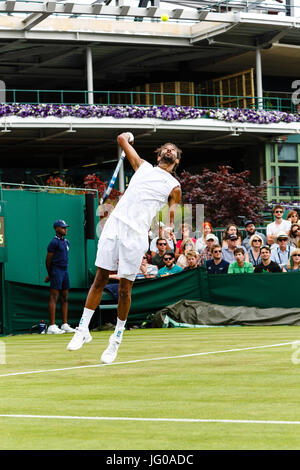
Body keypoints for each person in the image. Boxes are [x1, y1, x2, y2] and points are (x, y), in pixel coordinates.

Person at [67, 133, 182, 364]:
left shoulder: (174, 187)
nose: (169, 151)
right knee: (100, 278)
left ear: (177, 160)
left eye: (173, 150)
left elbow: (172, 215)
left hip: (136, 235)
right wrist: (127, 137)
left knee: (124, 290)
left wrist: (170, 229)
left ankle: (116, 339)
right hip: (115, 226)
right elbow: (120, 139)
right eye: (166, 149)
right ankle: (82, 329)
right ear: (158, 154)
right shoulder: (142, 166)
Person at [45, 219, 75, 334]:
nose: (65, 229)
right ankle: (52, 326)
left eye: (65, 227)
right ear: (56, 229)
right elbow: (48, 261)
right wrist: (50, 274)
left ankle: (64, 324)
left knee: (64, 297)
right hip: (56, 271)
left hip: (65, 271)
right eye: (63, 227)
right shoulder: (54, 242)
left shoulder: (66, 242)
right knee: (54, 297)